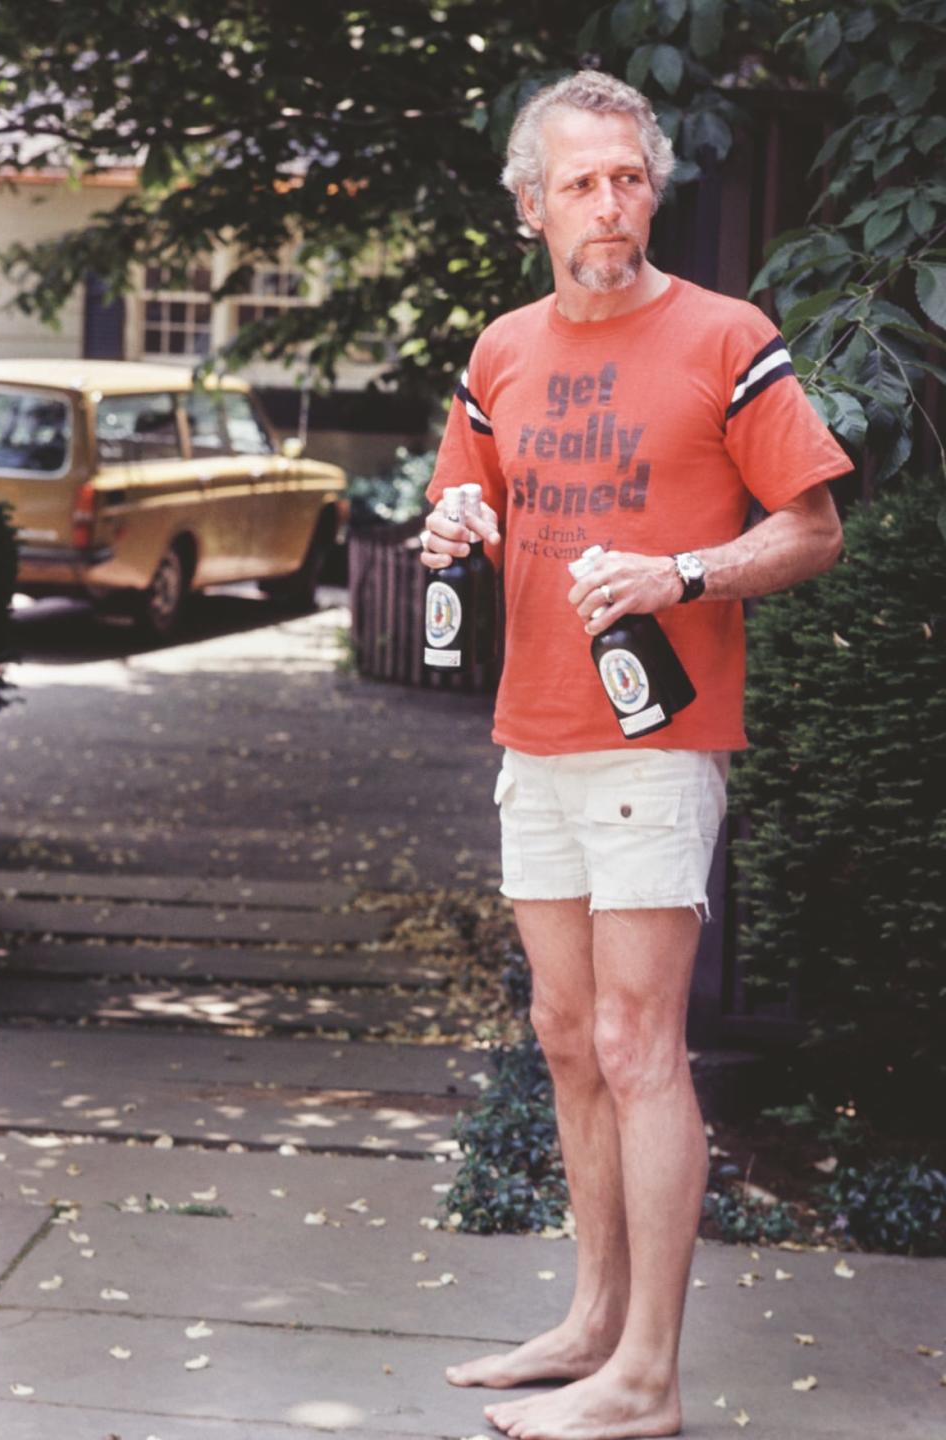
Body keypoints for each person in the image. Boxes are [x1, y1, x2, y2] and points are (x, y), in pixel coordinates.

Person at [420, 70, 850, 1440]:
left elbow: (813, 528)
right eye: (583, 180)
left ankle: (649, 1381)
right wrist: (453, 534)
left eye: (630, 176)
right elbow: (460, 500)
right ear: (530, 202)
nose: (612, 202)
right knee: (561, 1037)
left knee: (635, 1041)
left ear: (650, 187)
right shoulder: (501, 351)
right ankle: (593, 1323)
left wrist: (683, 572)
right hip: (530, 727)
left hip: (659, 740)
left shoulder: (727, 336)